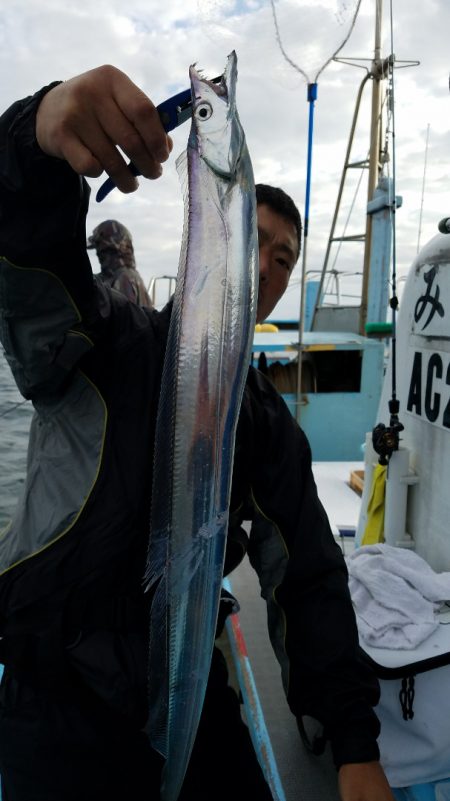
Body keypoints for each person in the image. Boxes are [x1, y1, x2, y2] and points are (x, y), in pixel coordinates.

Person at [0, 65, 394, 801]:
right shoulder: (107, 339)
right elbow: (27, 277)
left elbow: (307, 571)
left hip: (181, 679)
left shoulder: (266, 423)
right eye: (258, 238)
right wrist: (35, 138)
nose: (267, 265)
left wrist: (353, 741)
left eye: (283, 259)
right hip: (50, 689)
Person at [87, 218, 153, 307]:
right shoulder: (112, 277)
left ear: (113, 250)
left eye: (102, 249)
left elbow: (123, 317)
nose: (98, 253)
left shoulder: (124, 278)